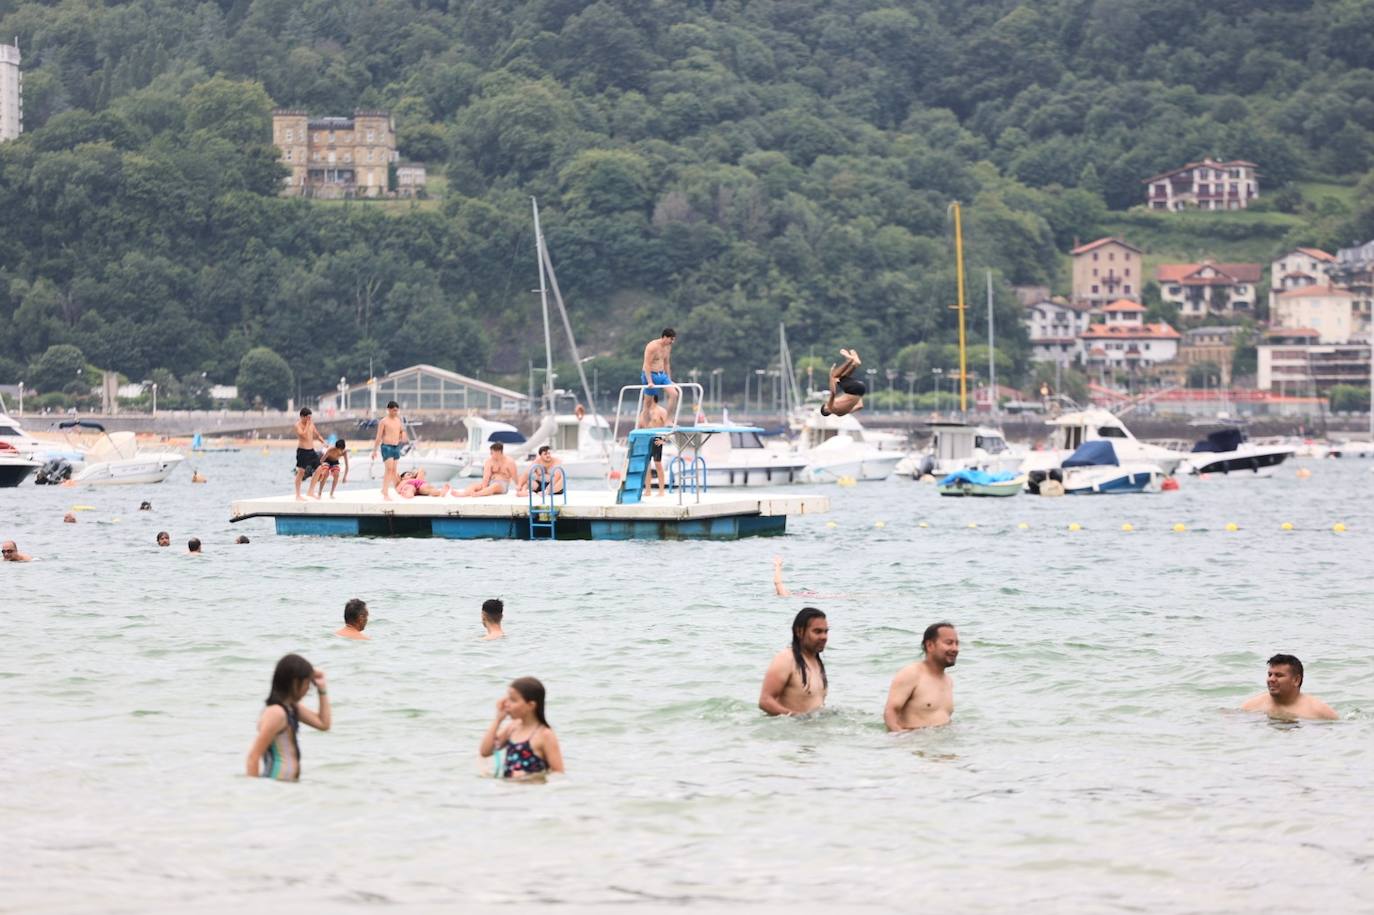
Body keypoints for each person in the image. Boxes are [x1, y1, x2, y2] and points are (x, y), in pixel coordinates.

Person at [244, 653, 330, 781]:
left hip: (283, 791)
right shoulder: (276, 713)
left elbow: (323, 724)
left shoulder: (292, 709)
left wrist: (322, 688)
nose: (308, 689)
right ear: (295, 682)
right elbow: (253, 757)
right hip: (273, 785)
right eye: (307, 683)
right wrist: (254, 794)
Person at [480, 677, 565, 779]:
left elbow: (559, 773)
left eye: (513, 700)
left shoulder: (545, 734)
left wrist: (529, 777)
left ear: (530, 705)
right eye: (507, 699)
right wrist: (498, 720)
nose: (507, 704)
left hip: (532, 793)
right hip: (509, 791)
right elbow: (485, 751)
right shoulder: (512, 728)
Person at [885, 622, 959, 731]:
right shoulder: (911, 674)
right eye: (949, 643)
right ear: (930, 645)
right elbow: (890, 712)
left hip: (941, 745)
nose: (955, 648)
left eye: (957, 643)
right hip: (916, 745)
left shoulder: (948, 680)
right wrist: (900, 739)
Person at [758, 608, 829, 716]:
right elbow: (765, 701)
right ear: (799, 632)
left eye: (826, 631)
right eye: (817, 631)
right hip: (790, 730)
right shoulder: (786, 659)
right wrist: (796, 717)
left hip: (812, 730)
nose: (824, 637)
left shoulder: (816, 662)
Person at [1240, 654, 1338, 721]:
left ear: (1296, 680)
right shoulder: (1251, 706)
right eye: (1270, 674)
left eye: (1278, 675)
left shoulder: (1319, 711)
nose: (1271, 679)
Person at [370, 401, 409, 501]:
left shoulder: (398, 420)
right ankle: (385, 493)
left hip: (396, 447)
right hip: (386, 447)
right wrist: (374, 451)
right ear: (389, 410)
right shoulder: (383, 421)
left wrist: (403, 435)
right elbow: (378, 437)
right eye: (394, 410)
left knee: (394, 471)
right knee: (389, 470)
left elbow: (402, 431)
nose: (396, 412)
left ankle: (389, 489)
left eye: (397, 410)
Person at [452, 442, 517, 497]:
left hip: (502, 485)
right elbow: (486, 476)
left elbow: (514, 476)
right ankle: (462, 494)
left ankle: (477, 494)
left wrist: (519, 487)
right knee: (475, 485)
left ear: (499, 452)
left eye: (492, 453)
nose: (490, 454)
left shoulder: (509, 462)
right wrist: (483, 486)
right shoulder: (489, 461)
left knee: (494, 486)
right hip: (491, 482)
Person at [641, 328, 679, 419]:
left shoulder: (668, 347)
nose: (672, 342)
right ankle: (645, 427)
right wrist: (650, 381)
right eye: (671, 339)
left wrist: (669, 379)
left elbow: (666, 363)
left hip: (661, 375)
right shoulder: (652, 347)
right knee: (648, 403)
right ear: (665, 337)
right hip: (651, 375)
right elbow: (647, 365)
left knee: (674, 394)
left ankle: (668, 420)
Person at [293, 407, 327, 501]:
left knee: (319, 469)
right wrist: (308, 424)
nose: (309, 419)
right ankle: (298, 495)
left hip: (311, 451)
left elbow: (317, 434)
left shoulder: (311, 423)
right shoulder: (298, 425)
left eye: (310, 417)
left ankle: (310, 491)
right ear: (302, 417)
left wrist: (323, 442)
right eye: (307, 417)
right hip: (302, 451)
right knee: (301, 472)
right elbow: (303, 435)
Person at [638, 395, 669, 496]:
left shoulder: (661, 411)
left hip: (657, 438)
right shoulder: (644, 412)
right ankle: (648, 490)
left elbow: (668, 426)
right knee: (647, 466)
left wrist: (664, 439)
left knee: (658, 464)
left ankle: (661, 491)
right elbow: (639, 427)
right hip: (646, 438)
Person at [820, 348, 866, 417]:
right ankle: (850, 361)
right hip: (853, 390)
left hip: (861, 390)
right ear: (826, 409)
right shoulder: (830, 407)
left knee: (842, 378)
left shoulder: (840, 414)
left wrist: (858, 395)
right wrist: (830, 376)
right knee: (834, 376)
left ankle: (855, 364)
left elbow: (860, 406)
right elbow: (833, 393)